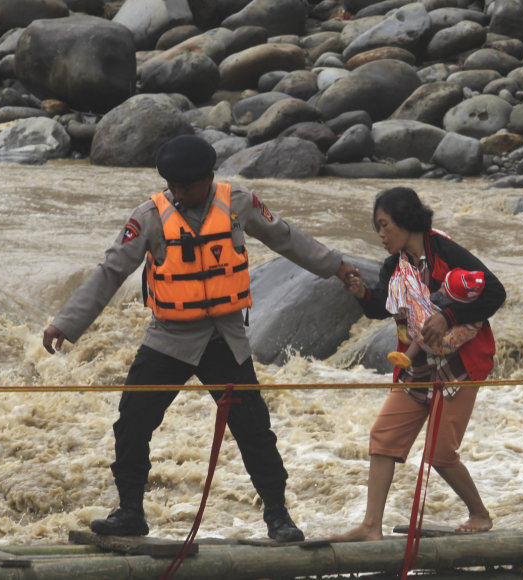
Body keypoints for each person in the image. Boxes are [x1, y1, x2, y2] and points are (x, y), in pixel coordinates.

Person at [42, 134, 356, 541]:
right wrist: (65, 324)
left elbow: (287, 238)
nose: (178, 193)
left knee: (254, 430)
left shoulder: (238, 202)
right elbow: (111, 271)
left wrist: (337, 266)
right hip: (168, 337)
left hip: (224, 338)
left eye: (186, 186)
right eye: (171, 185)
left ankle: (279, 516)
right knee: (132, 425)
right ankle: (131, 513)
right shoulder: (149, 216)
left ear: (209, 177)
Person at [333, 186, 506, 541]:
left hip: (460, 362)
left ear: (406, 221)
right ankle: (370, 527)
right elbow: (382, 305)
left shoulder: (443, 250)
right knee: (383, 437)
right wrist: (361, 293)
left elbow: (493, 291)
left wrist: (448, 314)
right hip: (418, 363)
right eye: (377, 227)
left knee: (440, 453)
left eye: (385, 226)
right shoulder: (394, 265)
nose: (380, 234)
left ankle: (480, 514)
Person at [387, 267, 486, 369]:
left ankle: (408, 354)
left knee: (423, 325)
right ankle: (411, 337)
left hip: (440, 343)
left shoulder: (447, 302)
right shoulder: (475, 308)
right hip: (453, 344)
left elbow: (430, 301)